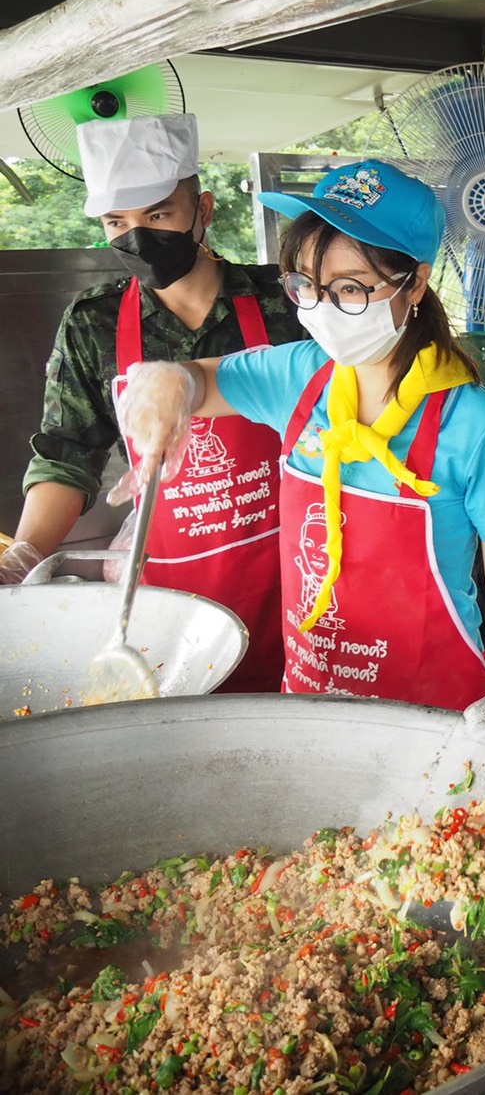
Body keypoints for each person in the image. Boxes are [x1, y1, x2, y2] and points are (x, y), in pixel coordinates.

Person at [114, 159, 485, 712]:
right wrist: (169, 381)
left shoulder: (479, 426)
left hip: (438, 718)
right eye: (305, 286)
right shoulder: (299, 377)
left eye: (351, 289)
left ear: (415, 282)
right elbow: (200, 381)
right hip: (312, 703)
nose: (323, 310)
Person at [0, 113, 303, 692]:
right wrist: (26, 553)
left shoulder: (284, 303)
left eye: (159, 214)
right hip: (165, 591)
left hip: (292, 569)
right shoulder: (96, 322)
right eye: (118, 221)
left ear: (204, 210)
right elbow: (67, 453)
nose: (138, 235)